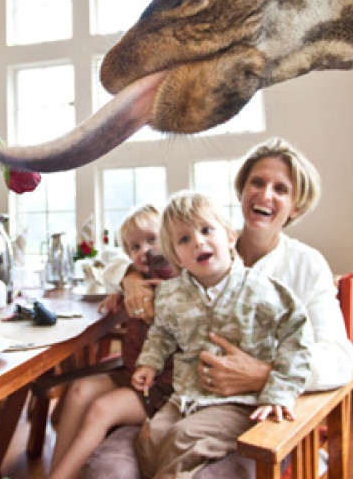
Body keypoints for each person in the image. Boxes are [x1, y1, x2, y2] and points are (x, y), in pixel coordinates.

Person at [81, 137, 353, 478]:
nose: (265, 194)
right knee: (107, 470)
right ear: (242, 191)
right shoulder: (203, 241)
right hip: (179, 401)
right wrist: (130, 276)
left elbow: (339, 358)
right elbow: (123, 255)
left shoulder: (304, 266)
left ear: (295, 207)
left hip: (251, 414)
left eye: (281, 189)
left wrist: (265, 374)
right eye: (257, 182)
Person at [131, 191, 311, 478]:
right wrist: (149, 363)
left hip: (239, 402)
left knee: (183, 438)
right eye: (184, 239)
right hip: (187, 397)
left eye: (206, 230)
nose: (198, 242)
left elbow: (296, 331)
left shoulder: (259, 289)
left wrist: (280, 390)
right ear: (177, 257)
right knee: (151, 437)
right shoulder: (171, 294)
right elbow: (162, 332)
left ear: (230, 237)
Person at [48, 204, 176, 479]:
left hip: (162, 386)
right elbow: (112, 269)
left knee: (100, 409)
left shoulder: (174, 282)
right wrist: (119, 293)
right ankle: (58, 472)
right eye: (135, 246)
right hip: (132, 372)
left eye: (152, 240)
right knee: (79, 390)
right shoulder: (136, 280)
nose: (144, 250)